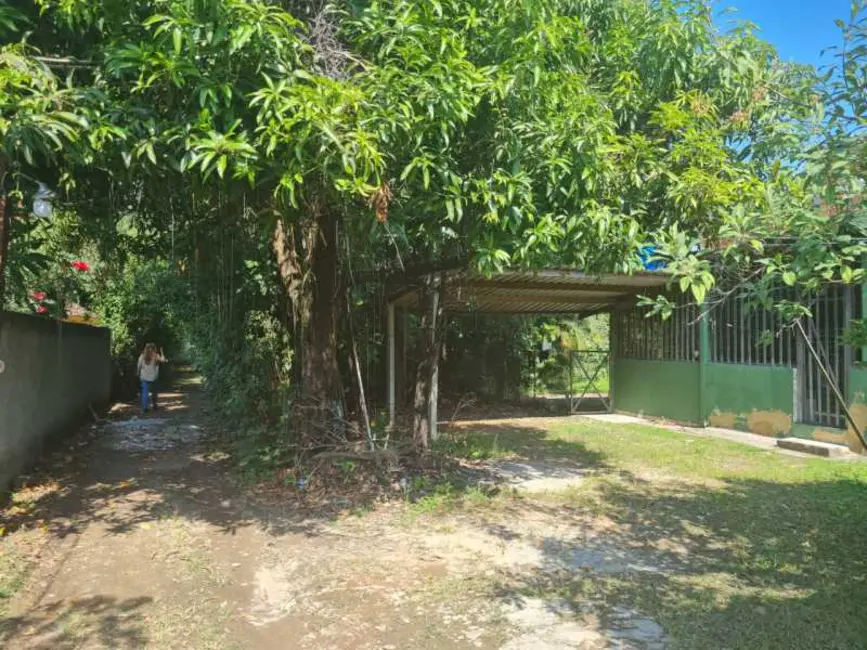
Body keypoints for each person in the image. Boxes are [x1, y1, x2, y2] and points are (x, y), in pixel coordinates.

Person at [136, 343, 167, 414]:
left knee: (145, 393)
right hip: (154, 377)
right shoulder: (156, 356)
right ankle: (155, 404)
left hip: (144, 377)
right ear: (154, 349)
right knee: (154, 392)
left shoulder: (142, 356)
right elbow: (163, 360)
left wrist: (137, 373)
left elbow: (139, 366)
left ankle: (145, 408)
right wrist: (162, 352)